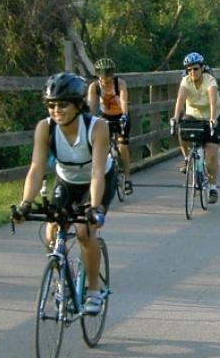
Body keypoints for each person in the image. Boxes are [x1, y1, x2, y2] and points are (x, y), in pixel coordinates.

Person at [13, 73, 111, 315]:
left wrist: (94, 207)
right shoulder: (45, 128)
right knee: (51, 230)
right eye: (52, 105)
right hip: (67, 179)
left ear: (78, 105)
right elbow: (36, 169)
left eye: (63, 104)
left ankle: (94, 291)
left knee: (83, 231)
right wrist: (25, 203)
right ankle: (61, 280)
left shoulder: (97, 127)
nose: (56, 110)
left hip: (97, 180)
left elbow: (98, 172)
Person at [172, 52, 220, 203]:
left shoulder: (210, 81)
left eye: (195, 69)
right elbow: (180, 101)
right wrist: (175, 117)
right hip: (193, 116)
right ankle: (187, 158)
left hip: (212, 117)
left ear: (202, 68)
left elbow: (213, 101)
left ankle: (213, 188)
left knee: (211, 155)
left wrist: (213, 119)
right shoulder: (186, 82)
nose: (192, 72)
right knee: (181, 129)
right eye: (189, 70)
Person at [86, 58, 134, 196]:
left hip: (120, 115)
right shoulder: (94, 87)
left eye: (107, 78)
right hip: (105, 116)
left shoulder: (120, 84)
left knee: (122, 146)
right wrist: (89, 119)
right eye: (101, 77)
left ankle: (128, 178)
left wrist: (124, 115)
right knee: (100, 146)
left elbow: (124, 100)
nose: (104, 81)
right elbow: (92, 106)